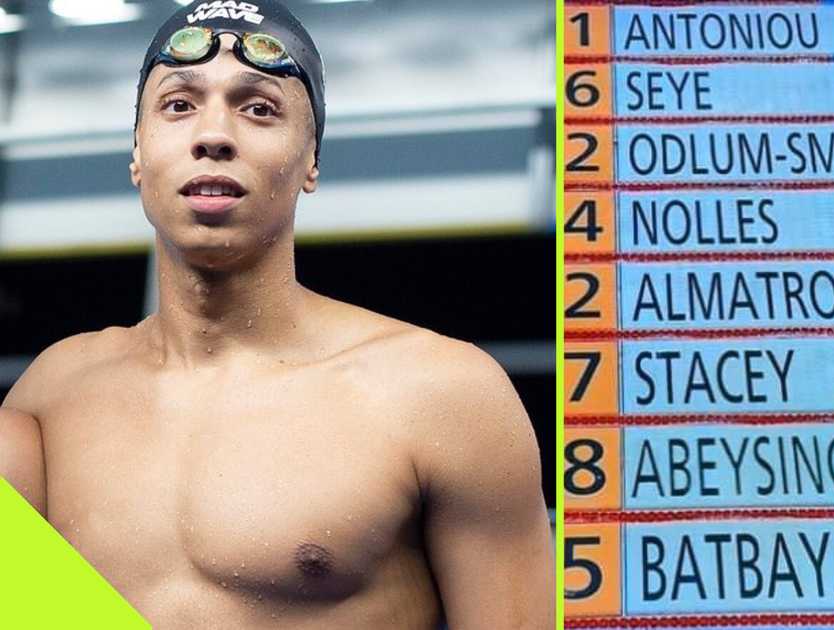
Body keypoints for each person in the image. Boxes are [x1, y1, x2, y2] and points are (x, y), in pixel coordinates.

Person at [0, 1, 554, 627]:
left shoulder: (441, 394)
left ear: (311, 158)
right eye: (178, 105)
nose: (213, 136)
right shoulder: (52, 396)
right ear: (137, 152)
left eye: (259, 108)